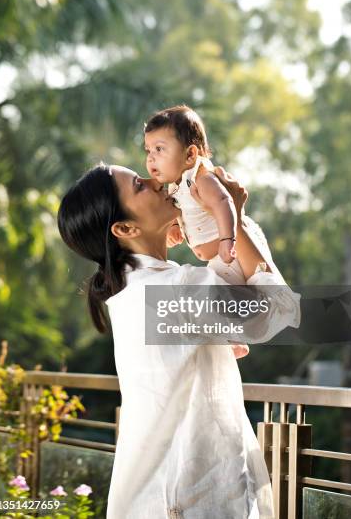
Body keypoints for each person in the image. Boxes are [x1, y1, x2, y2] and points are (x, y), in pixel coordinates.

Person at [57, 162, 301, 518]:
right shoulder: (168, 289)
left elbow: (231, 287)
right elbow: (280, 309)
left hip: (164, 493)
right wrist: (233, 217)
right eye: (140, 186)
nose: (157, 182)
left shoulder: (140, 290)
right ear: (125, 227)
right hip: (189, 497)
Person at [144, 104, 270, 285]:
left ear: (190, 154)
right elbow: (176, 208)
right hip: (221, 256)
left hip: (233, 250)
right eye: (148, 150)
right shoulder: (175, 184)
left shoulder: (201, 178)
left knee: (233, 301)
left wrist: (228, 239)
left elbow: (224, 202)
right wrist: (173, 226)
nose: (150, 157)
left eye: (159, 149)